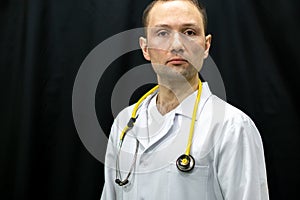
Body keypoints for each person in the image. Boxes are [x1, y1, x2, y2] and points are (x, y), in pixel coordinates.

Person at [100, 0, 269, 199]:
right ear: (145, 48)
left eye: (189, 32)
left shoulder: (231, 127)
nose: (177, 45)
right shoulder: (124, 123)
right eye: (162, 33)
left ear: (206, 46)